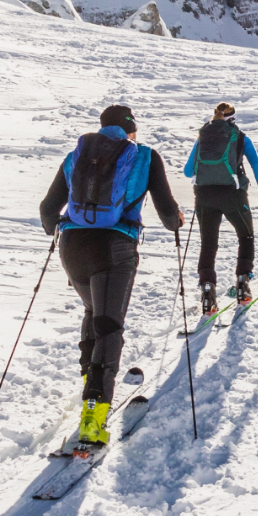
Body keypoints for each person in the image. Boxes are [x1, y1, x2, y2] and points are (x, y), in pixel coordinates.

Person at [39, 105, 183, 447]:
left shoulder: (78, 154)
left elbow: (48, 210)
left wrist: (56, 231)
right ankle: (94, 411)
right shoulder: (145, 157)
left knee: (93, 312)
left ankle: (90, 382)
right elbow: (166, 213)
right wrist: (177, 222)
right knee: (109, 326)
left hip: (72, 247)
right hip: (114, 248)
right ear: (131, 130)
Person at [184, 102, 258, 314]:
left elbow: (188, 172)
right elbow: (256, 165)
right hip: (233, 194)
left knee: (208, 244)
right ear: (232, 117)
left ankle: (207, 292)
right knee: (246, 236)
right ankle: (243, 284)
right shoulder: (240, 137)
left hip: (204, 196)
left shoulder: (203, 136)